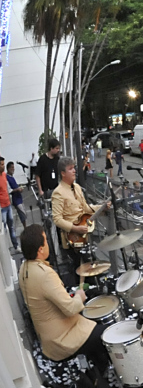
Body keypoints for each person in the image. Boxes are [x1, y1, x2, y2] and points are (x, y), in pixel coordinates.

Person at [18, 225, 109, 372]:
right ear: (40, 249)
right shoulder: (45, 274)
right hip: (61, 339)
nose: (48, 244)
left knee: (94, 323)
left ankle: (100, 367)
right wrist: (79, 296)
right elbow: (71, 309)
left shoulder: (24, 268)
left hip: (49, 336)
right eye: (46, 241)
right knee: (107, 332)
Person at [51, 157, 108, 274]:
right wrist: (75, 228)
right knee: (80, 267)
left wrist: (102, 207)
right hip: (72, 238)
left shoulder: (77, 187)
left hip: (84, 234)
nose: (74, 171)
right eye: (70, 169)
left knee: (90, 265)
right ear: (62, 173)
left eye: (74, 168)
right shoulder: (58, 192)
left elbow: (86, 208)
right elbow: (57, 219)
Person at [0, 156, 17, 249]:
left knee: (11, 227)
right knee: (4, 229)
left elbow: (7, 188)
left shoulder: (4, 175)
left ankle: (16, 245)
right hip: (2, 207)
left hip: (8, 205)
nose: (3, 167)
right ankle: (6, 249)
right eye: (2, 165)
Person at [6, 162, 28, 229]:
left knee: (23, 214)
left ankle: (25, 227)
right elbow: (9, 190)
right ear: (8, 168)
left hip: (19, 198)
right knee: (22, 213)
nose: (13, 169)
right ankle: (25, 227)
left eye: (13, 167)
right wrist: (17, 189)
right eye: (12, 167)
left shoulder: (11, 177)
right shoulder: (7, 178)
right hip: (15, 199)